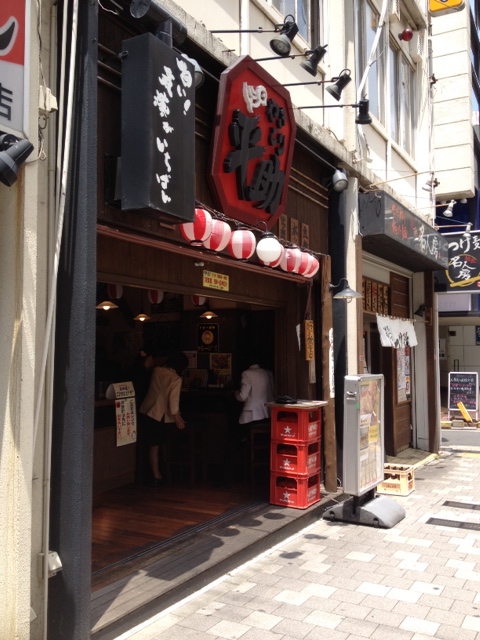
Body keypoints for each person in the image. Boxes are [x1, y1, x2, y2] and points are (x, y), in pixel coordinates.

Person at [139, 351, 188, 486]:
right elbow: (173, 401)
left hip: (148, 410)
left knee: (153, 445)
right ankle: (161, 472)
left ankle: (156, 474)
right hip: (161, 415)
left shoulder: (156, 371)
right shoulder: (175, 379)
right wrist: (177, 418)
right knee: (161, 443)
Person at [235, 360, 275, 426]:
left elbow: (242, 397)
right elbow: (273, 392)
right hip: (268, 412)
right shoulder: (268, 373)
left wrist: (236, 393)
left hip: (253, 415)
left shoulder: (247, 373)